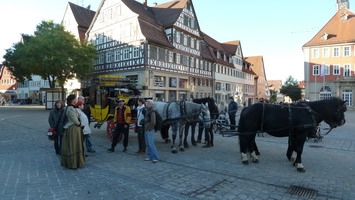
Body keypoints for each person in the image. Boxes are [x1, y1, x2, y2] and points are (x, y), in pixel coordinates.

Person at [61, 94, 85, 169]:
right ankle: (72, 163)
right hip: (73, 129)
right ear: (72, 100)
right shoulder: (70, 108)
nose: (77, 100)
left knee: (75, 145)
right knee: (73, 145)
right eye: (76, 99)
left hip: (75, 129)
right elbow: (74, 119)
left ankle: (76, 162)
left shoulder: (72, 108)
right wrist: (80, 124)